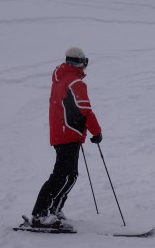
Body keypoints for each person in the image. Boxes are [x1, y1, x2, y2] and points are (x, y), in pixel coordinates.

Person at [29, 47, 102, 229]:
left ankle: (54, 210)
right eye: (85, 62)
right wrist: (96, 132)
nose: (86, 66)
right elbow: (85, 110)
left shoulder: (60, 80)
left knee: (69, 176)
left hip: (63, 133)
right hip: (68, 134)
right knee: (62, 176)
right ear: (80, 62)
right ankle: (40, 215)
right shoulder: (74, 82)